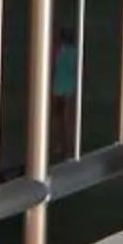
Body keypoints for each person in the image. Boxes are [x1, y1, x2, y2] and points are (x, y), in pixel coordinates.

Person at [51, 24, 79, 155]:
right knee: (68, 120)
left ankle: (58, 145)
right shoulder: (76, 53)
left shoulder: (57, 51)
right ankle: (69, 147)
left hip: (57, 89)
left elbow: (52, 68)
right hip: (70, 89)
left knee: (58, 119)